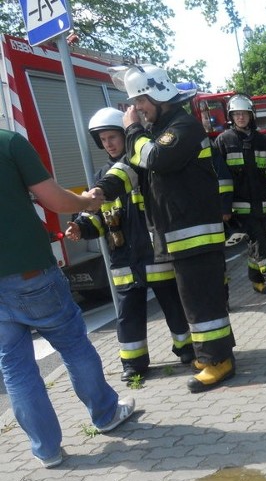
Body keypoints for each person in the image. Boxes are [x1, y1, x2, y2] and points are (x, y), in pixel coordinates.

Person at [91, 64, 236, 394]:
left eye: (140, 100)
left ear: (157, 95)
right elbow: (131, 169)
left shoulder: (183, 127)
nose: (136, 109)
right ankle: (209, 355)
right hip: (179, 237)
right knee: (194, 302)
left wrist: (131, 131)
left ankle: (220, 362)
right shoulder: (159, 130)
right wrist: (101, 191)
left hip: (195, 235)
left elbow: (154, 158)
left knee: (203, 302)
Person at [0, 129, 135, 468]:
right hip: (30, 274)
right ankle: (105, 415)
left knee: (15, 368)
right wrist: (88, 202)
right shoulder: (9, 143)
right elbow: (56, 201)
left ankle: (46, 450)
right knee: (73, 346)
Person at [65, 109, 195, 383]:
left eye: (113, 136)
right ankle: (134, 363)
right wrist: (81, 227)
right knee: (128, 315)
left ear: (125, 135)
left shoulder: (144, 166)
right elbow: (99, 219)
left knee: (173, 304)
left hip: (154, 254)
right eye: (103, 139)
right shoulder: (102, 175)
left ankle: (187, 350)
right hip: (124, 257)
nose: (109, 143)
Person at [214, 94, 266, 300]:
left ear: (250, 116)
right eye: (236, 114)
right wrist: (224, 208)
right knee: (260, 245)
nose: (240, 118)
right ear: (231, 117)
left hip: (261, 204)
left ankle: (255, 279)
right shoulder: (223, 141)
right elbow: (219, 178)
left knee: (258, 242)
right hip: (238, 207)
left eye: (244, 114)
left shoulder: (262, 141)